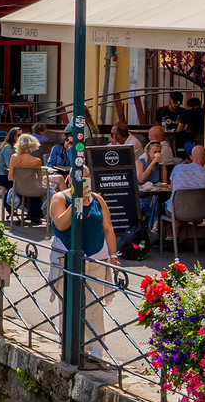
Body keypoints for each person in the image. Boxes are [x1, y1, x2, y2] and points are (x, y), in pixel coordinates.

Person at [49, 170, 120, 354]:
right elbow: (60, 224)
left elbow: (108, 227)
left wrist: (113, 255)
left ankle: (95, 346)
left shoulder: (97, 199)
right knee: (68, 302)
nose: (84, 180)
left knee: (94, 303)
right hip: (67, 258)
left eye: (87, 176)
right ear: (70, 179)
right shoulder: (60, 198)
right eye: (81, 177)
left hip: (96, 257)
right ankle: (69, 343)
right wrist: (77, 201)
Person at [7, 131, 46, 224]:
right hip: (33, 188)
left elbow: (10, 177)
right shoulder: (37, 161)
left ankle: (15, 211)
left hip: (19, 188)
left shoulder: (14, 157)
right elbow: (39, 179)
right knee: (48, 190)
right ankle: (40, 214)